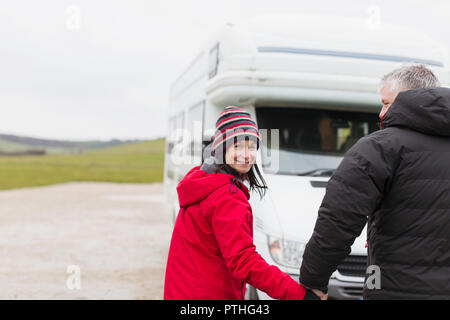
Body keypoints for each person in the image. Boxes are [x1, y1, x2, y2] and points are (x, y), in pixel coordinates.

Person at [299, 64, 450, 299]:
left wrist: (313, 281)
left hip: (392, 289)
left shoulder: (381, 147)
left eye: (387, 103)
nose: (381, 113)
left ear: (409, 100)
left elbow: (338, 220)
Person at [164, 106, 323, 300]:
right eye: (237, 146)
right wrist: (299, 295)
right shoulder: (226, 196)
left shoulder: (202, 182)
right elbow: (243, 261)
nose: (246, 155)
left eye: (252, 146)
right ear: (222, 148)